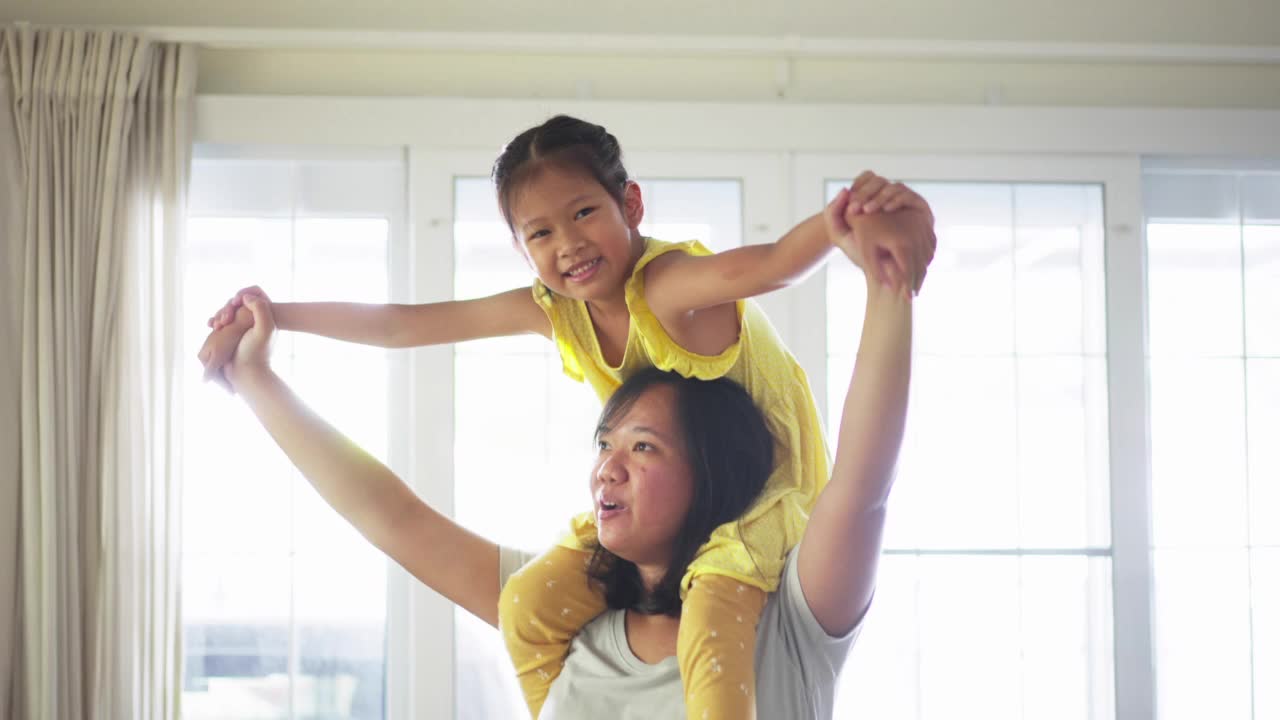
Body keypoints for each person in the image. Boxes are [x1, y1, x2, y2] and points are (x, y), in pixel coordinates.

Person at [198, 114, 934, 719]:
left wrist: (867, 253)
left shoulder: (785, 618)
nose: (607, 465)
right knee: (525, 601)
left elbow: (774, 273)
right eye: (604, 441)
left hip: (768, 505)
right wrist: (263, 345)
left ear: (630, 207)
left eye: (644, 447)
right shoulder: (581, 617)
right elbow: (394, 474)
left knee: (716, 595)